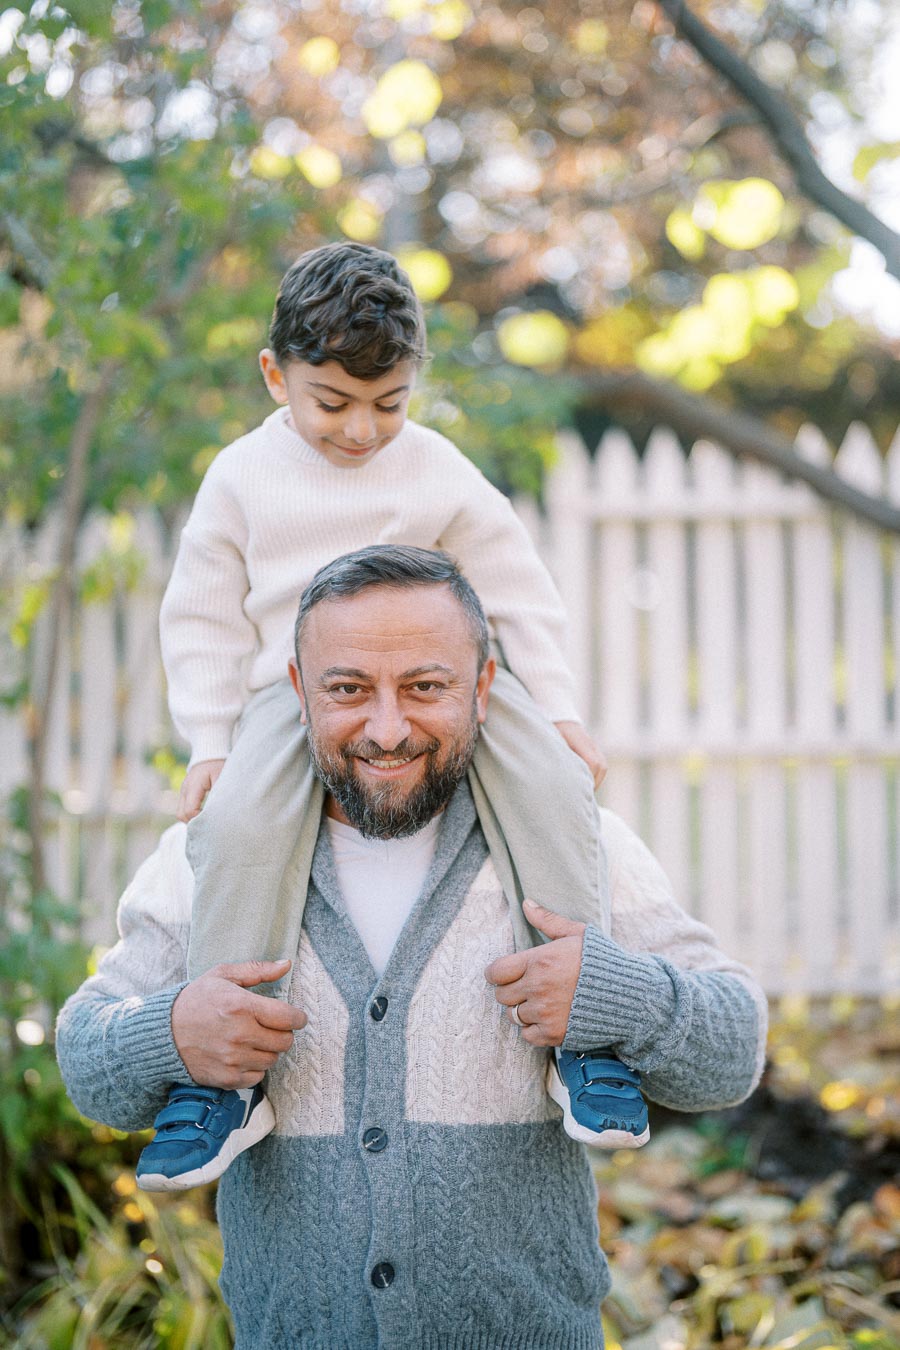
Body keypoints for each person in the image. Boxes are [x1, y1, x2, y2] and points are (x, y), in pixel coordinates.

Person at [57, 548, 767, 1350]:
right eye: (348, 689)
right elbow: (87, 1061)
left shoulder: (573, 844)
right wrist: (172, 1034)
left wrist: (620, 995)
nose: (387, 729)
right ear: (299, 691)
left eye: (426, 687)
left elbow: (732, 1051)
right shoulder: (211, 854)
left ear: (483, 688)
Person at [151, 240, 644, 1186]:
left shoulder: (435, 468)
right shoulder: (242, 477)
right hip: (290, 695)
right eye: (331, 402)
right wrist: (210, 742)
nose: (361, 430)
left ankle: (585, 1039)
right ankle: (228, 1080)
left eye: (389, 404)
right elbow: (202, 615)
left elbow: (516, 588)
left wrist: (564, 711)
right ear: (276, 375)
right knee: (241, 823)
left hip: (434, 681)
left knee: (550, 782)